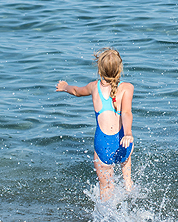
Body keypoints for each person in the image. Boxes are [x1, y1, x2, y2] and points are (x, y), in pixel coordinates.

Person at [56, 48, 134, 200]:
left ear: (99, 70)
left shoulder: (94, 87)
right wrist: (128, 133)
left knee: (106, 188)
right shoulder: (127, 87)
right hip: (123, 142)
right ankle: (128, 186)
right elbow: (126, 113)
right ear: (120, 68)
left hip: (103, 144)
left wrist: (65, 87)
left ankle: (106, 213)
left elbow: (76, 91)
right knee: (127, 169)